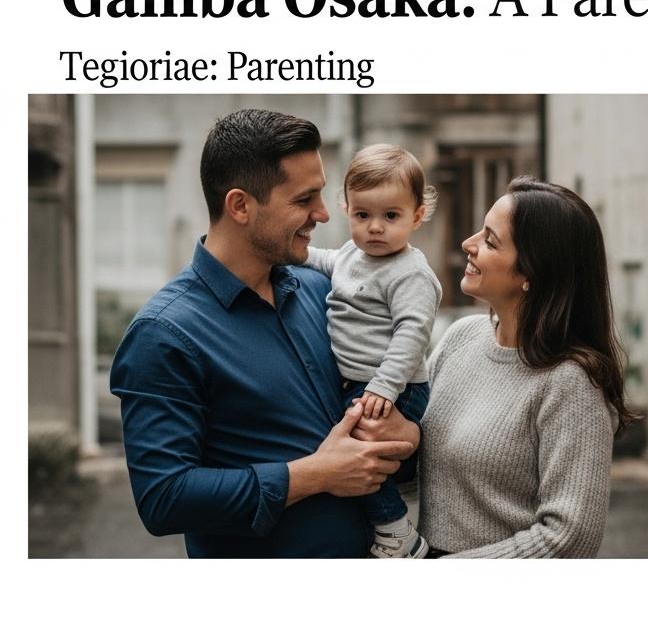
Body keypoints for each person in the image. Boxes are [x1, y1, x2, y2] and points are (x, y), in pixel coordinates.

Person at [110, 109, 418, 558]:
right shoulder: (164, 334)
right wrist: (314, 474)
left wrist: (407, 435)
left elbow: (374, 434)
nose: (324, 213)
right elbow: (164, 497)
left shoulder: (324, 289)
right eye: (303, 199)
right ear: (240, 206)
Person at [417, 177, 635, 558]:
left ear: (531, 273)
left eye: (489, 240)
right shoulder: (460, 338)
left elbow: (569, 538)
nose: (468, 245)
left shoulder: (571, 384)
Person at [302, 144, 442, 558]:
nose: (375, 228)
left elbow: (411, 334)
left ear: (417, 216)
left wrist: (384, 387)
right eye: (363, 216)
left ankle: (398, 532)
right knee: (368, 460)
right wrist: (289, 254)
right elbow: (325, 260)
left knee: (356, 456)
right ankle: (401, 509)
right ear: (348, 210)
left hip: (392, 385)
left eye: (391, 216)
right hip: (363, 382)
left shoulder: (410, 273)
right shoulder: (352, 254)